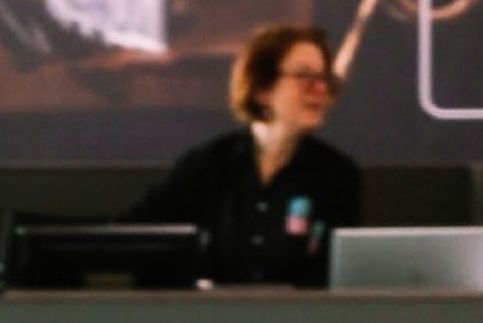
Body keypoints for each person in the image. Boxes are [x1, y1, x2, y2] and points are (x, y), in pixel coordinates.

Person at [136, 20, 368, 285]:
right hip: (210, 321)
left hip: (301, 322)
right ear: (262, 89)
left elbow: (340, 275)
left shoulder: (337, 174)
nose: (320, 89)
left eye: (324, 78)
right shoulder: (207, 164)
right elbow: (142, 239)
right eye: (304, 76)